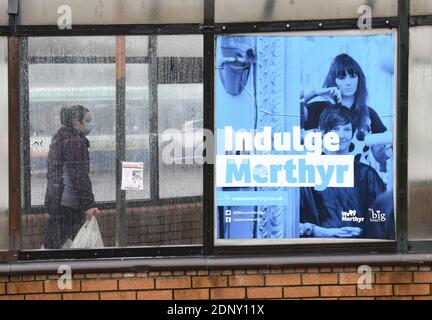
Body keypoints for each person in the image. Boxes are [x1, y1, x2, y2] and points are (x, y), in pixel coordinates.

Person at [299, 105, 393, 239]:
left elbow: (382, 219)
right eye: (335, 129)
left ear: (352, 133)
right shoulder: (307, 174)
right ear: (323, 132)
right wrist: (321, 232)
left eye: (347, 129)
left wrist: (362, 232)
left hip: (360, 249)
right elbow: (291, 222)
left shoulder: (368, 175)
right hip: (318, 250)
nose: (341, 135)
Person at [301, 53, 392, 183]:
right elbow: (290, 113)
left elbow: (379, 157)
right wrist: (315, 92)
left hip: (360, 186)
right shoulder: (320, 109)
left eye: (353, 76)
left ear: (359, 79)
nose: (348, 82)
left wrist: (393, 149)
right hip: (327, 185)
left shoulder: (369, 114)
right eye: (342, 77)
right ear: (334, 81)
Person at [43, 105, 100, 249]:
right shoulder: (75, 141)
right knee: (84, 247)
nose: (90, 124)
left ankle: (45, 268)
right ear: (76, 121)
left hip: (57, 201)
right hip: (70, 204)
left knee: (53, 245)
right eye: (87, 121)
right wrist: (89, 205)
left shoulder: (59, 137)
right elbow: (79, 175)